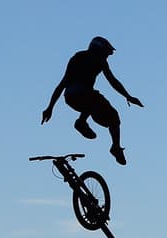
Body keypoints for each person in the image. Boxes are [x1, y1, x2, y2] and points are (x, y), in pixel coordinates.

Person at [41, 36, 143, 165]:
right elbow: (112, 81)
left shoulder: (86, 58)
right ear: (99, 50)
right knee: (103, 108)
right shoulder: (89, 59)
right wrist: (50, 107)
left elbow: (62, 84)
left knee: (108, 114)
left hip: (71, 97)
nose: (108, 56)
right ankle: (89, 128)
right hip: (80, 95)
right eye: (107, 53)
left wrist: (50, 108)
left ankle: (110, 143)